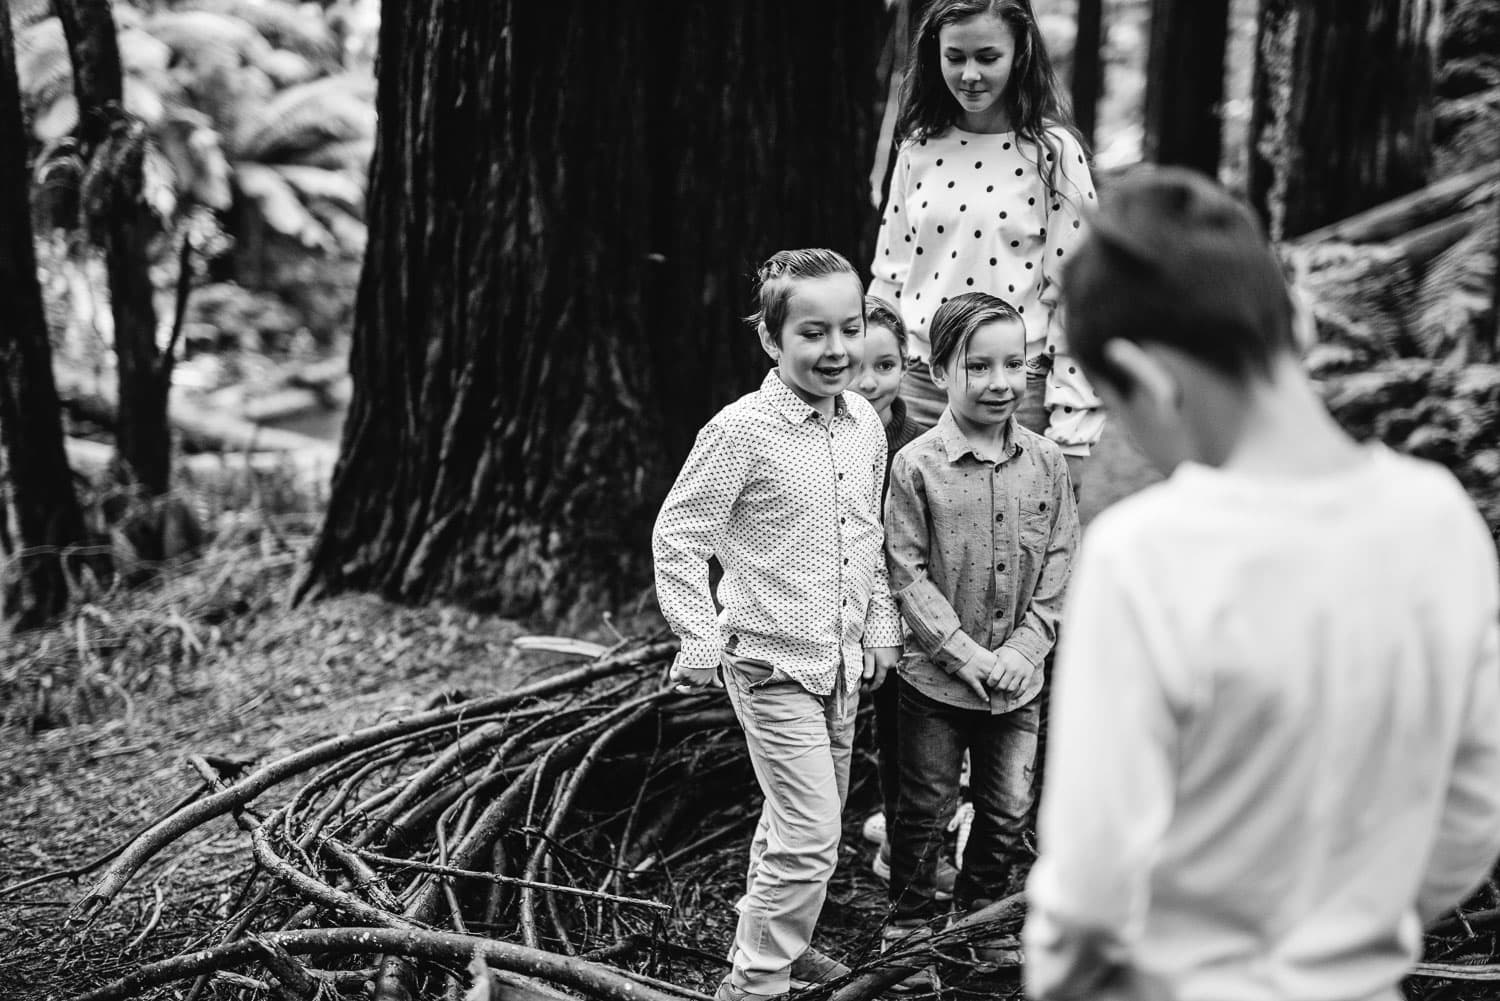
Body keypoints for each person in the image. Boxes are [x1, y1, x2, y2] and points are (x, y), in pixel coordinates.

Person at [1023, 166, 1500, 1001]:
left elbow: (1092, 880)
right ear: (1304, 323)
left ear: (1148, 375)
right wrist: (1344, 931)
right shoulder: (1440, 520)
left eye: (1113, 406)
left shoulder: (1144, 555)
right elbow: (1474, 811)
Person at [653, 249, 904, 1001]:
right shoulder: (742, 431)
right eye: (813, 333)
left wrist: (881, 625)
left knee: (796, 820)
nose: (836, 350)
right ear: (772, 339)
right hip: (767, 662)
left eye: (850, 328)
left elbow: (870, 536)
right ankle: (755, 987)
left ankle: (760, 948)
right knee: (811, 834)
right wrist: (698, 639)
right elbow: (678, 534)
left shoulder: (864, 423)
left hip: (842, 663)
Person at [882, 292, 1079, 977]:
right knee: (925, 809)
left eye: (1014, 364)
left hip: (1017, 684)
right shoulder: (916, 468)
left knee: (1007, 809)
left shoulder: (1048, 463)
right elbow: (904, 571)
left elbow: (1060, 558)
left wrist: (1026, 650)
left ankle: (978, 917)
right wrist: (963, 652)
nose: (1001, 382)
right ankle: (908, 928)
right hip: (937, 680)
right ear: (939, 372)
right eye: (979, 366)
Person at [868, 0, 1104, 490]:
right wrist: (872, 380)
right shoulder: (917, 148)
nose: (970, 74)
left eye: (987, 57)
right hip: (919, 387)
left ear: (1019, 54)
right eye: (955, 57)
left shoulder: (1053, 154)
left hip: (1015, 390)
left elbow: (1082, 297)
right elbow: (889, 277)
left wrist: (1074, 434)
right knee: (908, 555)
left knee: (1006, 558)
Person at [849, 296, 961, 900]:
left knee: (911, 743)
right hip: (838, 621)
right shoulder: (824, 443)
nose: (871, 382)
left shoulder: (920, 448)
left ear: (906, 364)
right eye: (858, 367)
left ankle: (905, 848)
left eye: (886, 366)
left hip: (909, 624)